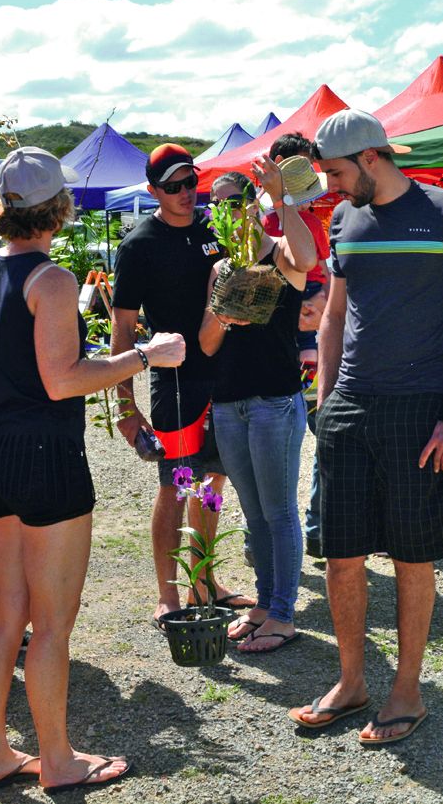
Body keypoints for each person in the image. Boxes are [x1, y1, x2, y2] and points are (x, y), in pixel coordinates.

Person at [289, 110, 443, 745]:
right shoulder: (343, 218)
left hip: (420, 406)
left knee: (412, 555)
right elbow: (333, 316)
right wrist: (325, 402)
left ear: (373, 157)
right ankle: (352, 682)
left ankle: (406, 690)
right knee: (340, 552)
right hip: (350, 404)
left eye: (334, 171)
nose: (328, 184)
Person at [0, 146, 177, 792]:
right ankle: (57, 760)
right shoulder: (51, 279)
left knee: (5, 615)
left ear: (2, 204)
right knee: (52, 621)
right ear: (58, 207)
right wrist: (144, 355)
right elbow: (62, 380)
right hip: (44, 456)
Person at [110, 144, 250, 626]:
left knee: (212, 480)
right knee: (176, 486)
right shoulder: (139, 245)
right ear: (153, 192)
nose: (187, 193)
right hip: (173, 386)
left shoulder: (215, 232)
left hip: (222, 379)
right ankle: (168, 594)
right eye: (173, 187)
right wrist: (125, 409)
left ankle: (204, 579)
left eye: (191, 182)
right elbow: (122, 330)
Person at [199, 165, 317, 654]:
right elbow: (206, 345)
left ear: (250, 205)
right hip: (229, 404)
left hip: (273, 400)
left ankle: (284, 614)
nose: (224, 211)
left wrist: (280, 200)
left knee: (279, 511)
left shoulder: (279, 254)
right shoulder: (222, 269)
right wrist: (224, 317)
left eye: (233, 201)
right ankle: (265, 605)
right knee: (253, 513)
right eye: (217, 204)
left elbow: (308, 257)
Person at [258, 133, 330, 559]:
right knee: (275, 450)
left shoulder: (309, 219)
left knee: (325, 437)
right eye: (298, 166)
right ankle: (266, 541)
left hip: (305, 346)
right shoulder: (256, 218)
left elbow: (322, 274)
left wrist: (320, 304)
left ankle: (317, 530)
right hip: (273, 350)